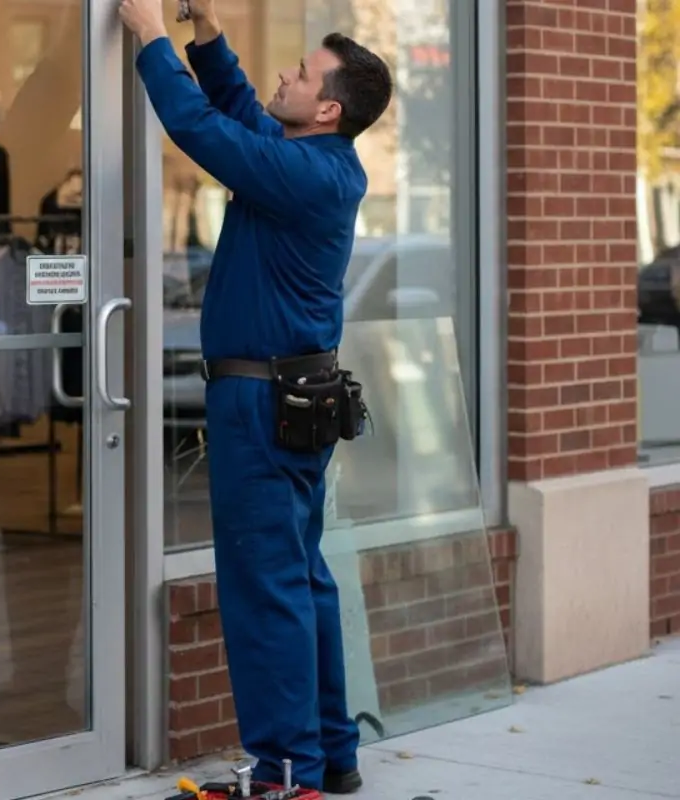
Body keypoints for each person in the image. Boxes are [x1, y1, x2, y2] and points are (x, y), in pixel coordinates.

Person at [118, 0, 393, 794]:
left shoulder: (304, 175)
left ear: (328, 109)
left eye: (303, 73)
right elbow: (241, 113)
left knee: (265, 590)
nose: (286, 74)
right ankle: (329, 757)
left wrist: (151, 36)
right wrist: (206, 34)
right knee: (299, 579)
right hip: (289, 399)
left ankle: (283, 775)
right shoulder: (313, 162)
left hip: (262, 405)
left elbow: (203, 130)